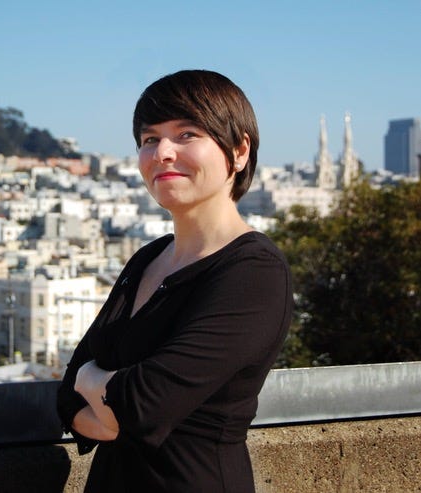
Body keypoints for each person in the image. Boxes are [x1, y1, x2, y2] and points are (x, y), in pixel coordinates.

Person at [57, 69, 293, 493]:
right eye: (149, 139)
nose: (162, 152)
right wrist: (104, 399)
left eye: (186, 134)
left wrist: (93, 382)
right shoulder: (147, 258)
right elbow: (67, 397)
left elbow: (138, 404)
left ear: (239, 151)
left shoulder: (254, 272)